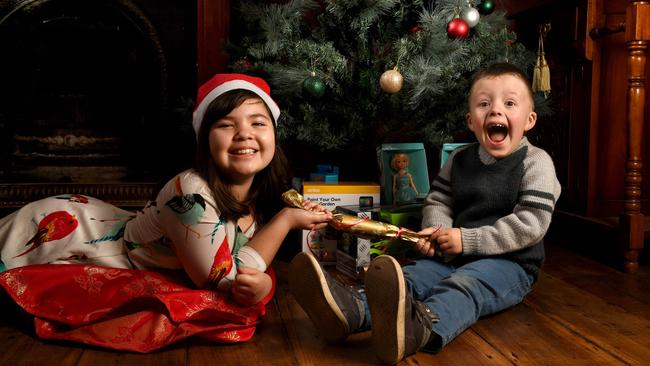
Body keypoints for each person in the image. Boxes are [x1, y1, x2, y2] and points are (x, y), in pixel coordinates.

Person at [0, 73, 332, 350]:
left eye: (258, 122)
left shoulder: (263, 191)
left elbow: (246, 261)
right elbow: (226, 281)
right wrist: (287, 221)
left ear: (273, 133)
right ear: (205, 141)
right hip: (68, 234)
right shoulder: (190, 194)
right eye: (226, 125)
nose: (244, 133)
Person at [289, 62, 562, 364]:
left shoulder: (536, 162)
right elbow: (439, 200)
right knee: (415, 275)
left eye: (509, 103)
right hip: (454, 252)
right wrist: (435, 230)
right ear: (471, 121)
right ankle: (353, 311)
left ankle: (420, 328)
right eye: (485, 104)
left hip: (510, 264)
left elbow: (532, 223)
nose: (496, 111)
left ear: (529, 120)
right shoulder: (460, 159)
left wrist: (467, 240)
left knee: (464, 285)